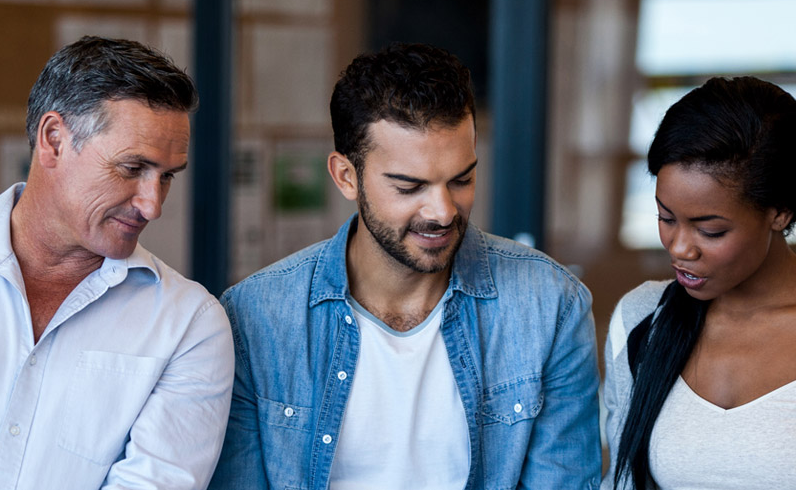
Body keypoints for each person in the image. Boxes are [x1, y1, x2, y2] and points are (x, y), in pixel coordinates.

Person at [209, 42, 600, 490]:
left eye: (462, 179)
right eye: (409, 186)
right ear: (345, 176)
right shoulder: (254, 315)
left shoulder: (550, 305)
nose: (443, 211)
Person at [0, 36, 234, 489]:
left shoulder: (188, 324)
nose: (152, 205)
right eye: (132, 168)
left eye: (167, 177)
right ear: (54, 140)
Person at [602, 76, 796, 490]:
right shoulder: (641, 322)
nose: (680, 248)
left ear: (781, 212)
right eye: (666, 218)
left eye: (711, 231)